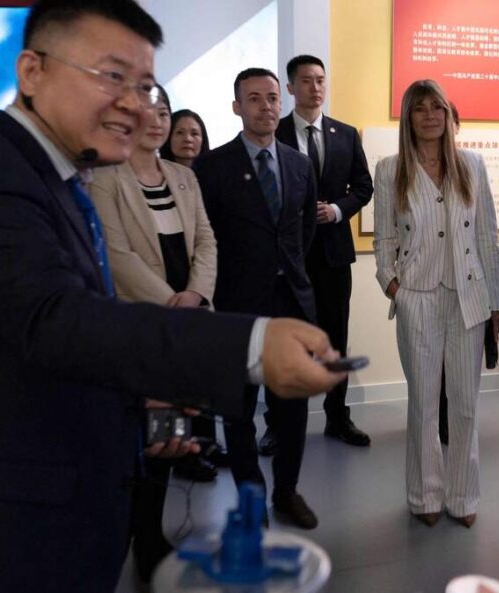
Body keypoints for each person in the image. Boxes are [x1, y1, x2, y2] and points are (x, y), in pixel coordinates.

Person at [0, 1, 343, 591]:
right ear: (32, 72)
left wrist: (134, 397)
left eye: (145, 85)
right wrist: (251, 342)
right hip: (4, 525)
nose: (133, 102)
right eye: (111, 76)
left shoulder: (57, 176)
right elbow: (57, 319)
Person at [88, 84, 216, 581]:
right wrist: (172, 304)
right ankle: (120, 536)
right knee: (134, 437)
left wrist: (197, 296)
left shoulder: (184, 176)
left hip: (184, 323)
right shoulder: (106, 178)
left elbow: (206, 239)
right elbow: (117, 258)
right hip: (138, 324)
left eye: (165, 112)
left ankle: (151, 533)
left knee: (172, 435)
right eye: (151, 112)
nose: (159, 121)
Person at [374, 79, 499, 528]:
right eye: (420, 108)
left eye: (438, 108)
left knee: (465, 404)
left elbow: (487, 235)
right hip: (418, 299)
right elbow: (385, 238)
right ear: (408, 117)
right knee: (424, 403)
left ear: (449, 116)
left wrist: (497, 302)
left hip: (468, 297)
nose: (430, 116)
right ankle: (424, 495)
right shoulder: (391, 169)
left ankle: (464, 495)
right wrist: (394, 286)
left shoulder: (472, 164)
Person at [194, 67, 320, 530]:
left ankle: (287, 492)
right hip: (238, 304)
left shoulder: (299, 163)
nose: (265, 106)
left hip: (291, 302)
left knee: (292, 407)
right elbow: (207, 236)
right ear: (236, 107)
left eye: (271, 98)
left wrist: (285, 269)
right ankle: (252, 500)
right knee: (240, 410)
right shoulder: (213, 166)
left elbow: (302, 231)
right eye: (254, 99)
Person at [275, 55, 373, 448]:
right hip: (289, 257)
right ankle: (278, 425)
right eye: (305, 81)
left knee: (335, 338)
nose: (315, 87)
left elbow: (364, 187)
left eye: (320, 80)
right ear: (290, 88)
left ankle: (338, 417)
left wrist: (336, 210)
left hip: (333, 254)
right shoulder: (275, 131)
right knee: (285, 339)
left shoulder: (345, 134)